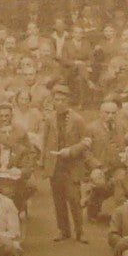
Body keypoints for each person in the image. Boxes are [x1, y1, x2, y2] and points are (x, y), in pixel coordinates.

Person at [45, 84, 92, 243]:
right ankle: (63, 230)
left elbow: (86, 142)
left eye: (62, 100)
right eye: (56, 100)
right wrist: (45, 162)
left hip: (72, 165)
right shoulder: (49, 118)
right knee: (58, 200)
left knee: (74, 199)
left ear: (68, 101)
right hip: (55, 165)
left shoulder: (77, 119)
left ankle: (80, 231)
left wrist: (71, 151)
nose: (59, 103)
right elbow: (45, 140)